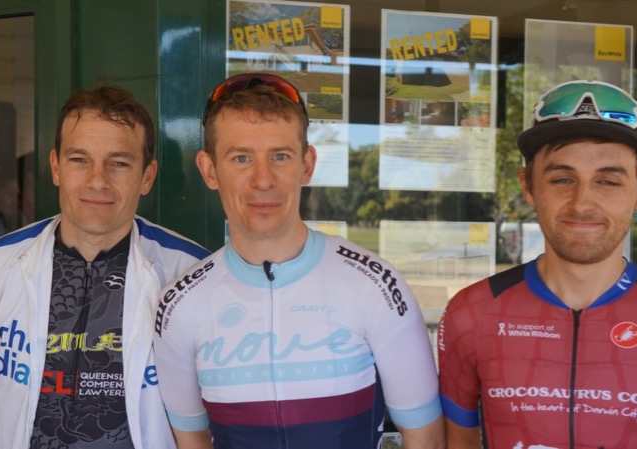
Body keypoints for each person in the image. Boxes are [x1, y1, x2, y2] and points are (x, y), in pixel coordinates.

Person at [153, 73, 445, 449]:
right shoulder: (179, 303)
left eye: (280, 156)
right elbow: (191, 441)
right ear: (210, 170)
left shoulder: (374, 285)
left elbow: (426, 437)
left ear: (307, 165)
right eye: (241, 158)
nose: (263, 180)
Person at [437, 80, 637, 448]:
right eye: (562, 179)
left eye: (608, 181)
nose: (582, 203)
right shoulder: (471, 313)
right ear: (529, 185)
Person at [0, 84, 210, 448]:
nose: (97, 180)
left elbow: (211, 408)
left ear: (147, 176)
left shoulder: (195, 274)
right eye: (79, 159)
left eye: (119, 163)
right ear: (56, 167)